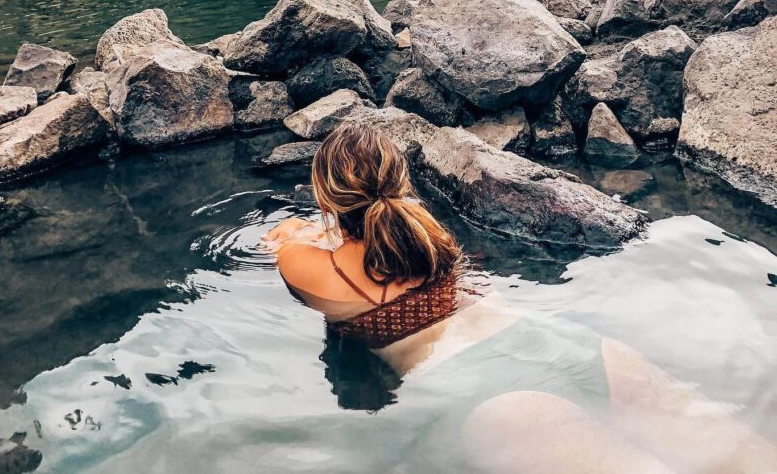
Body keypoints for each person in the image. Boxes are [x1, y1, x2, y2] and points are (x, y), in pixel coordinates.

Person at [265, 126, 777, 474]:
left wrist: (306, 229)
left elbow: (288, 237)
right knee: (745, 456)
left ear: (326, 196)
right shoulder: (427, 235)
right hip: (561, 342)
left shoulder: (313, 265)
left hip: (490, 394)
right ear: (402, 180)